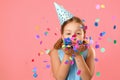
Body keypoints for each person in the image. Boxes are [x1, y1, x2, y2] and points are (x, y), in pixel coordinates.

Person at [49, 2, 95, 80]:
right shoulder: (55, 52)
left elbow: (87, 78)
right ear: (63, 37)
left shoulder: (89, 51)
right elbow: (59, 78)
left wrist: (77, 54)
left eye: (78, 33)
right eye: (68, 33)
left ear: (84, 35)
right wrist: (68, 54)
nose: (73, 37)